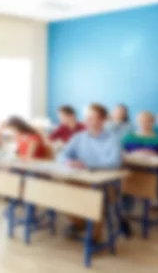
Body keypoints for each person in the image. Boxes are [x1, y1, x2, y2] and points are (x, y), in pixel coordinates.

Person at [58, 103, 122, 242]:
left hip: (105, 184)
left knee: (95, 197)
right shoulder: (79, 137)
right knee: (58, 191)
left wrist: (86, 165)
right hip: (80, 178)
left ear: (103, 120)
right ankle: (79, 223)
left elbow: (115, 162)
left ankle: (94, 236)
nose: (87, 120)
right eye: (86, 117)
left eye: (92, 117)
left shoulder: (112, 138)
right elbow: (62, 155)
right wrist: (68, 162)